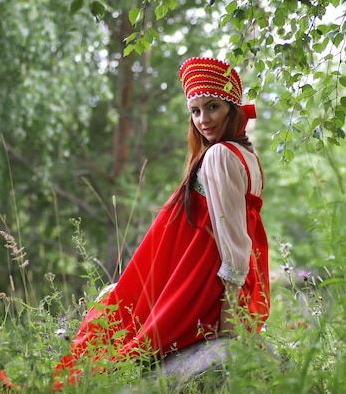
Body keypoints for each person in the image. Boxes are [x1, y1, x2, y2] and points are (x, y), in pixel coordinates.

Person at [46, 56, 271, 389]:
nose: (203, 120)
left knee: (113, 338)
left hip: (200, 280)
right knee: (113, 323)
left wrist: (229, 307)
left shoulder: (222, 154)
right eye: (195, 111)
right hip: (193, 273)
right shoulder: (244, 155)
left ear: (232, 108)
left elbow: (233, 233)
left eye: (212, 108)